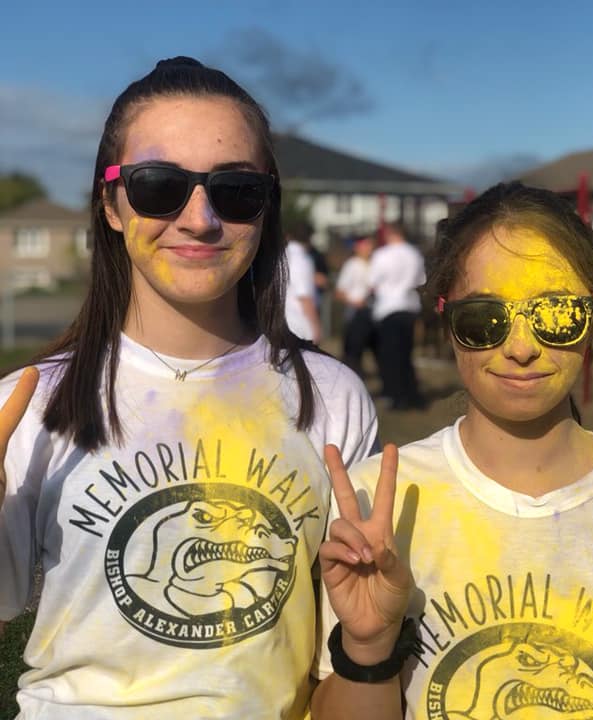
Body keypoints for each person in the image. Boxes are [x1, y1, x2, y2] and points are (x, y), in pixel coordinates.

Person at [0, 57, 387, 719]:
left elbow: (353, 672)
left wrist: (371, 640)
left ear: (266, 208)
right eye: (159, 186)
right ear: (112, 204)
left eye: (235, 191)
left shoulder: (333, 397)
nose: (200, 218)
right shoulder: (30, 404)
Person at [315, 182, 593, 718]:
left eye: (557, 315)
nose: (522, 348)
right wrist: (367, 650)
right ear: (446, 321)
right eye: (484, 321)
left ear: (592, 317)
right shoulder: (374, 505)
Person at [368, 223, 426, 410]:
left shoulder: (382, 255)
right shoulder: (414, 254)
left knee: (390, 355)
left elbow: (372, 282)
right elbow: (421, 280)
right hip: (408, 307)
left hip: (388, 308)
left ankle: (395, 395)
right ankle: (412, 394)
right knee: (406, 353)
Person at [335, 234, 375, 376]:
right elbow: (339, 292)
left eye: (371, 244)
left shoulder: (375, 263)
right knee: (353, 350)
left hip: (373, 312)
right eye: (366, 244)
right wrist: (355, 301)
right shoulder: (351, 265)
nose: (370, 248)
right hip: (356, 313)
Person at [284, 221, 324, 345]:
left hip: (282, 322)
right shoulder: (302, 259)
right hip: (300, 326)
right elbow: (304, 296)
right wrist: (316, 327)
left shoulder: (282, 255)